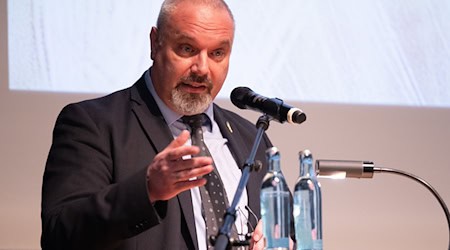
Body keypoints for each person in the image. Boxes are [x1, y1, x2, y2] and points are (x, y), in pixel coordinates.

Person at [41, 0, 285, 249]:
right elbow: (59, 234)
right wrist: (146, 190)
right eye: (187, 49)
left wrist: (280, 239)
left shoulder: (250, 137)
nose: (202, 68)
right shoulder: (94, 123)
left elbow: (286, 232)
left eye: (217, 53)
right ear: (155, 43)